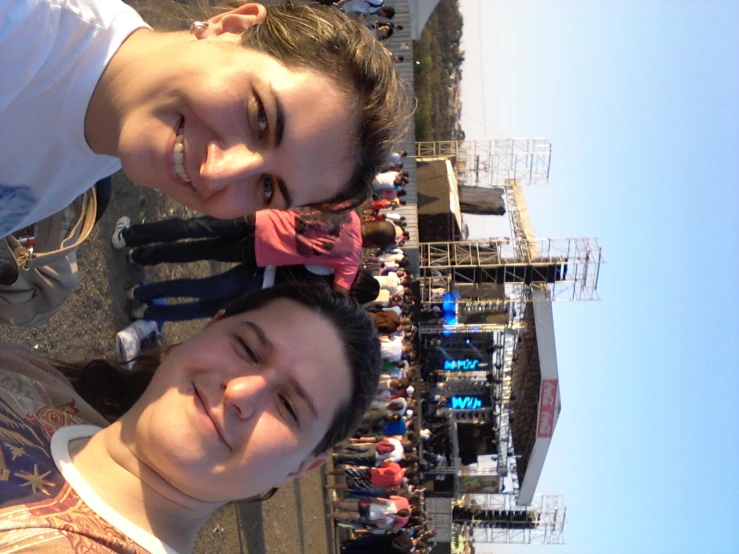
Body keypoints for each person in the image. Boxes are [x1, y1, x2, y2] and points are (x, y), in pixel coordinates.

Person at [0, 282, 381, 553]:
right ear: (207, 329)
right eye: (247, 349)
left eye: (288, 406)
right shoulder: (37, 377)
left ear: (300, 468)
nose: (240, 392)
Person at [0, 0, 410, 240]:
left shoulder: (105, 145)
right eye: (260, 119)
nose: (217, 173)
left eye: (267, 188)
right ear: (230, 26)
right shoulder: (20, 24)